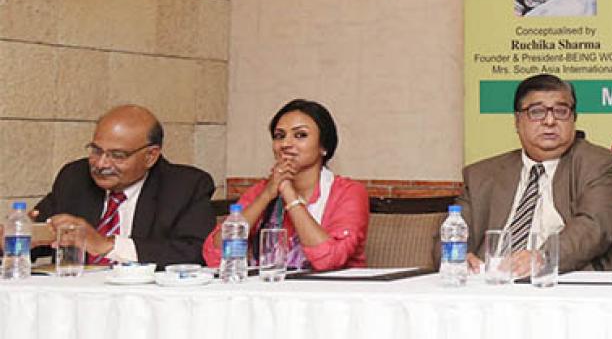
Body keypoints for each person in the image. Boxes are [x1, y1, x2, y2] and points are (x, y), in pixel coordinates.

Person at [458, 73, 612, 276]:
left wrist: (543, 258)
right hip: (489, 285)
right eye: (536, 112)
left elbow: (594, 227)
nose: (549, 120)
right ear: (517, 121)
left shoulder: (599, 164)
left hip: (564, 283)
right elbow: (450, 233)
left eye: (561, 111)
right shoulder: (481, 176)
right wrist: (458, 257)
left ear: (574, 118)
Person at [33, 104, 216, 266]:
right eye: (96, 151)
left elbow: (195, 251)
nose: (101, 164)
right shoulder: (75, 176)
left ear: (150, 156)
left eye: (118, 155)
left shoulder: (185, 186)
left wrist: (107, 245)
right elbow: (43, 235)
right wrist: (19, 238)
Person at [203, 99, 368, 271]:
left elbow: (329, 260)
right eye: (279, 136)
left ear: (324, 146)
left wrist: (288, 193)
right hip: (266, 291)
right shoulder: (261, 190)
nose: (286, 144)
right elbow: (215, 254)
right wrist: (267, 196)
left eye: (300, 135)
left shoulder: (349, 192)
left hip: (330, 293)